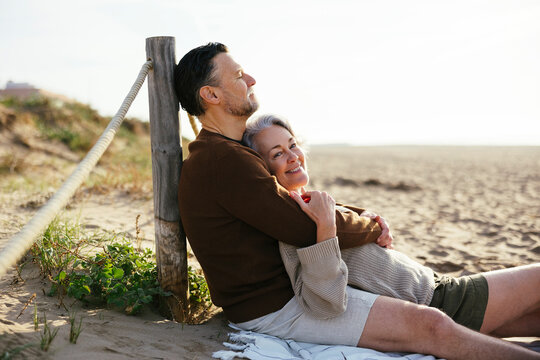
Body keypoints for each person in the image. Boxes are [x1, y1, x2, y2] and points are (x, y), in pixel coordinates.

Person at [175, 42, 540, 359]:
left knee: (467, 318)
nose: (251, 80)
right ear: (212, 95)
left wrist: (356, 215)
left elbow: (296, 208)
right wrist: (370, 225)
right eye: (238, 75)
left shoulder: (226, 153)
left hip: (283, 298)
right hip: (277, 308)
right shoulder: (222, 158)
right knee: (431, 324)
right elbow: (302, 224)